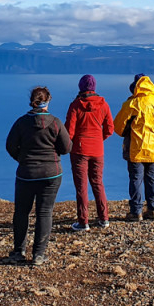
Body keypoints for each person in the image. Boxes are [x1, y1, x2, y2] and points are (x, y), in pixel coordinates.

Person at [5, 86, 72, 265]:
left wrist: (22, 158)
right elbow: (66, 148)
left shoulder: (21, 123)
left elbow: (10, 146)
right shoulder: (56, 123)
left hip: (26, 173)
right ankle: (39, 254)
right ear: (48, 101)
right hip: (51, 174)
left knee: (21, 212)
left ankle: (19, 251)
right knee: (44, 211)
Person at [113, 74, 154, 222]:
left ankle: (136, 211)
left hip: (136, 148)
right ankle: (153, 209)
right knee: (152, 178)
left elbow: (118, 128)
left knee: (135, 179)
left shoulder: (131, 104)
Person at [64, 74, 113, 231]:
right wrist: (98, 139)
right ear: (94, 88)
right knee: (98, 183)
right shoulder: (103, 104)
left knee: (82, 186)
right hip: (97, 150)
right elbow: (110, 129)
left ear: (80, 87)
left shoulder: (76, 105)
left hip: (79, 151)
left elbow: (69, 132)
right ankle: (104, 218)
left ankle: (83, 221)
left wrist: (65, 146)